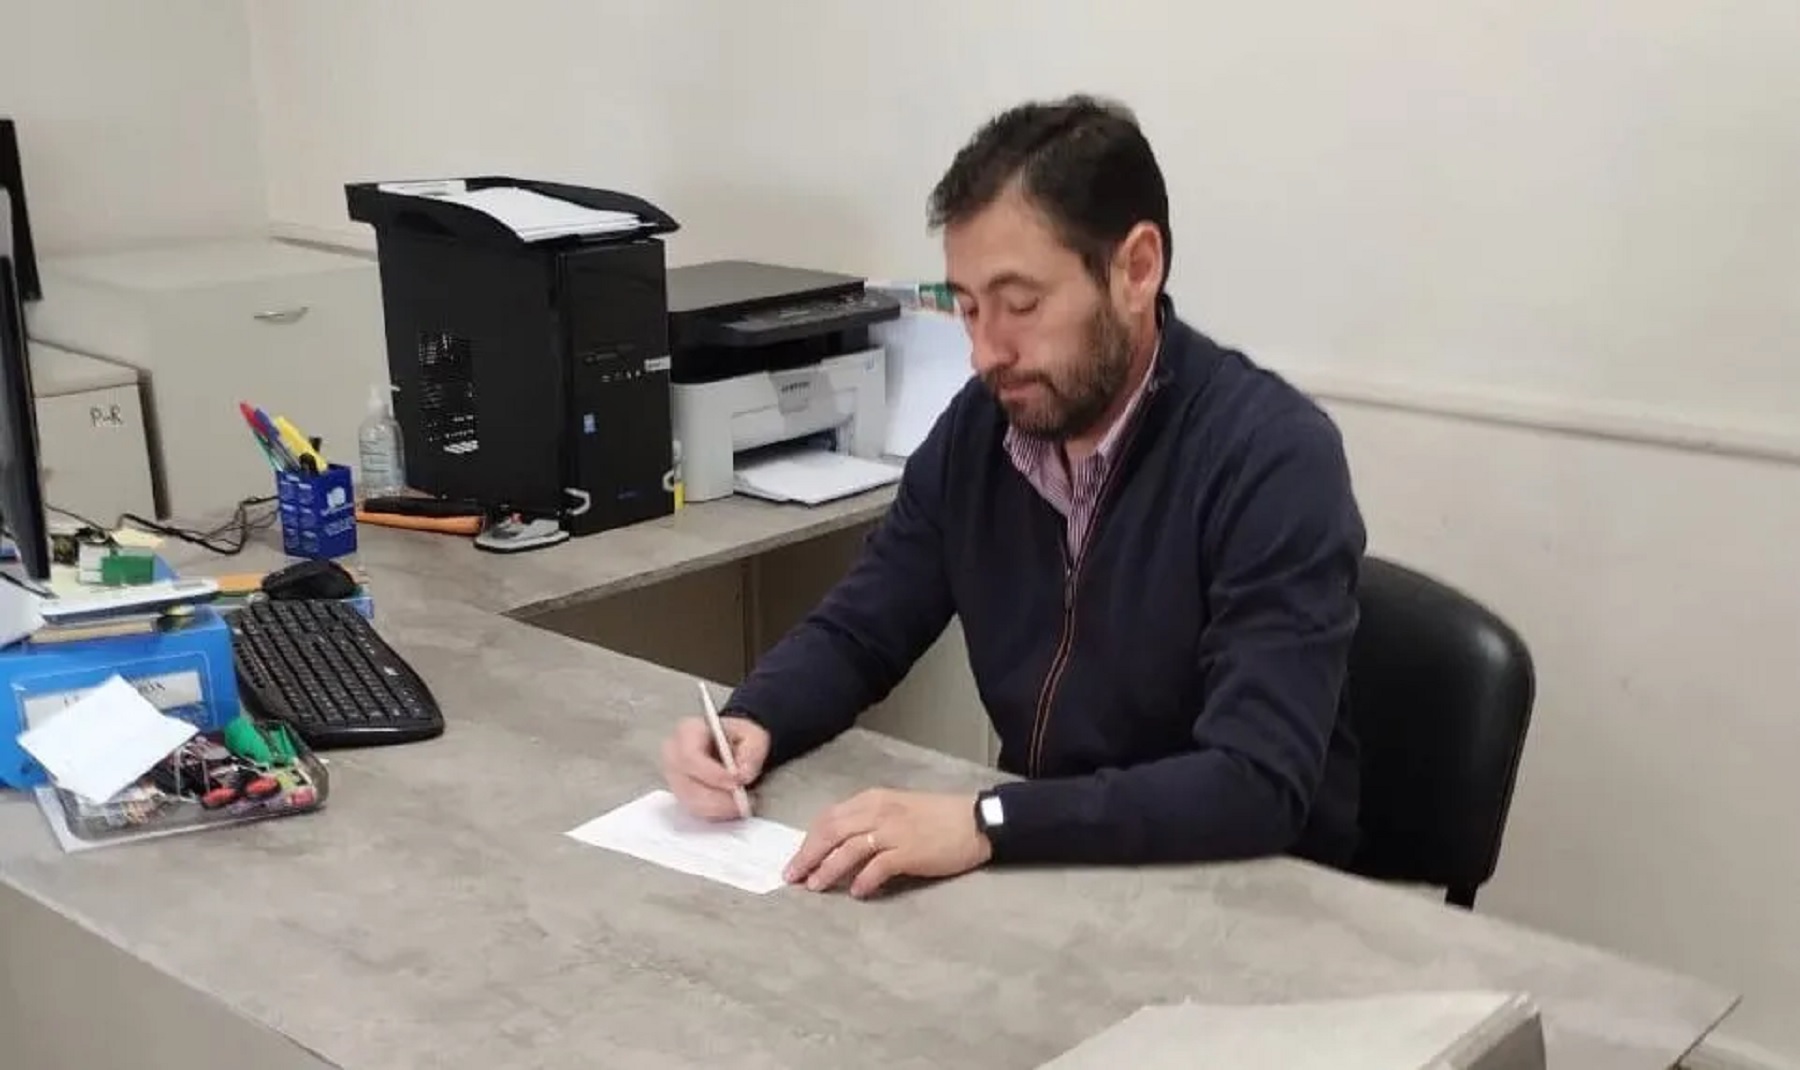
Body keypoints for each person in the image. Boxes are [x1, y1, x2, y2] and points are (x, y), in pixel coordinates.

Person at [660, 94, 1367, 900]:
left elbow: (1255, 784)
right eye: (967, 309)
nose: (986, 352)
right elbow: (863, 627)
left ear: (1137, 269)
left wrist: (989, 821)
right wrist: (753, 720)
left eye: (1021, 305)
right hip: (1055, 869)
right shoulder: (984, 428)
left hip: (1250, 900)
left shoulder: (1271, 456)